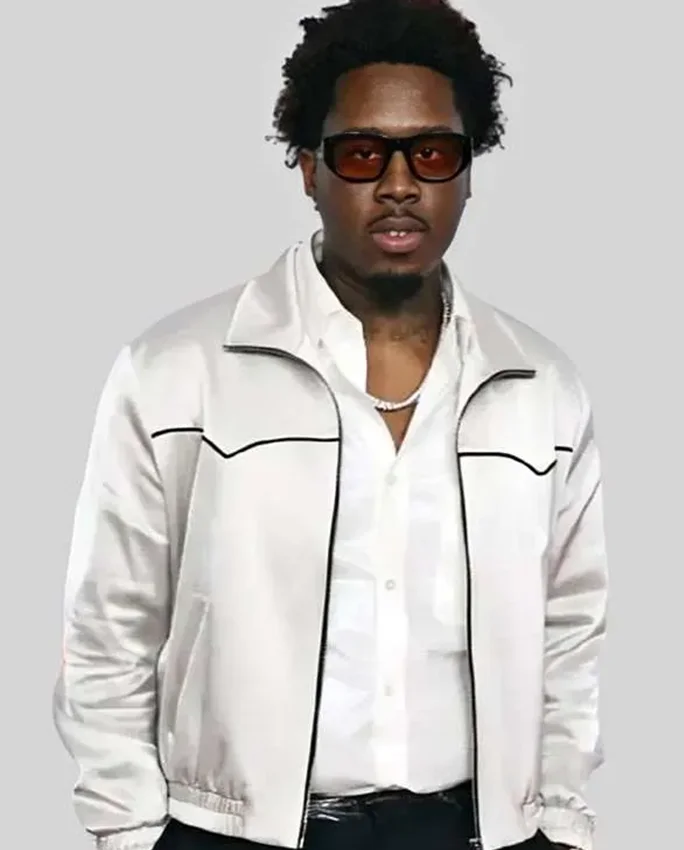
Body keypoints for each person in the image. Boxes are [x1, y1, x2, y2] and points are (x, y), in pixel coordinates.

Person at [52, 1, 608, 849]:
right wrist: (130, 831)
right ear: (309, 171)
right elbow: (109, 628)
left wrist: (559, 823)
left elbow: (570, 632)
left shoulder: (541, 389)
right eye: (361, 154)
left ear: (467, 173)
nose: (399, 184)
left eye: (432, 153)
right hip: (236, 835)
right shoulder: (178, 373)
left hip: (476, 831)